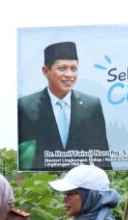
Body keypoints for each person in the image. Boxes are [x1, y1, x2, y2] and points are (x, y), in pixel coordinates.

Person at [17, 41, 112, 171]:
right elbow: (23, 158)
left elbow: (102, 157)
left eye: (74, 69)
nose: (69, 75)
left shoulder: (91, 105)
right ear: (45, 71)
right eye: (62, 68)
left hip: (79, 181)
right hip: (42, 181)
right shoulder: (25, 106)